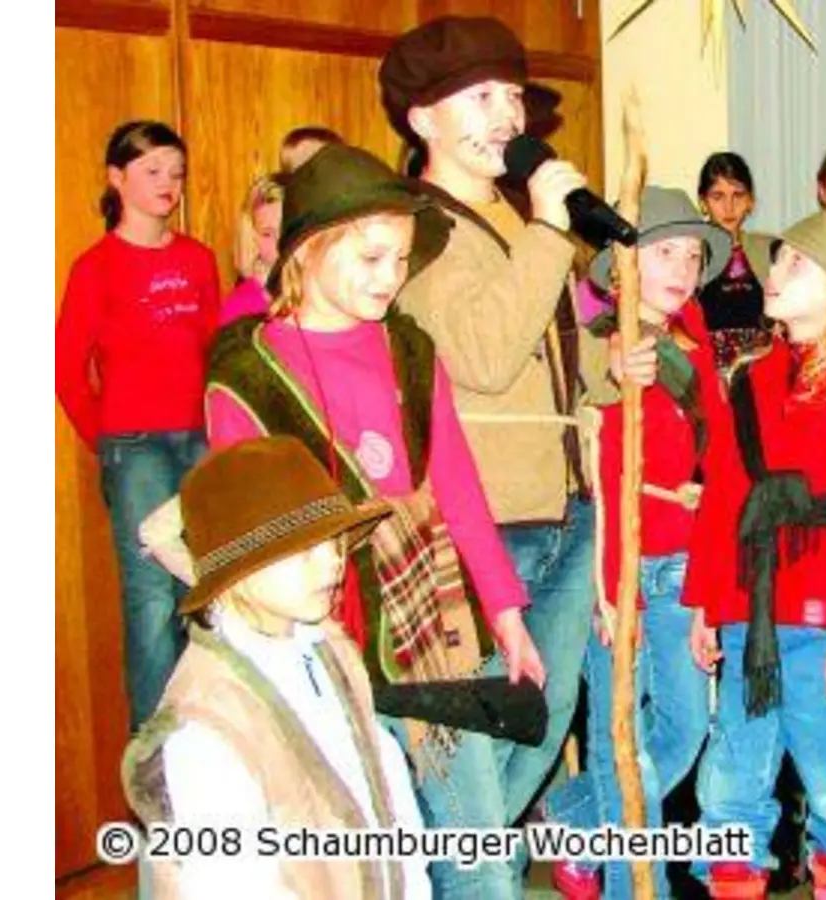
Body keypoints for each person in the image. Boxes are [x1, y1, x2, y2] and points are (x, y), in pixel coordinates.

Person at [141, 142, 548, 898]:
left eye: (399, 258)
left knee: (481, 857)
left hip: (429, 636)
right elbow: (252, 537)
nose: (390, 277)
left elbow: (455, 483)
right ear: (307, 251)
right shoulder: (249, 373)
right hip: (320, 647)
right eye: (368, 257)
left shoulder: (410, 349)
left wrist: (508, 611)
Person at [378, 21, 658, 888]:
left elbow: (542, 368)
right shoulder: (414, 227)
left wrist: (608, 376)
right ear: (423, 119)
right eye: (482, 97)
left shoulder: (512, 215)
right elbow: (485, 354)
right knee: (471, 780)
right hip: (484, 532)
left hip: (563, 515)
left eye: (512, 94)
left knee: (540, 726)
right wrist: (548, 226)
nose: (508, 115)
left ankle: (461, 870)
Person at [687, 211, 826, 899]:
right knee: (734, 765)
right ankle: (733, 873)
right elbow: (722, 499)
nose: (772, 274)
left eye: (795, 265)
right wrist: (704, 609)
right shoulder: (748, 378)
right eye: (777, 262)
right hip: (749, 613)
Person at [123, 436, 430, 899]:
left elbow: (390, 796)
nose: (333, 561)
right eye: (305, 549)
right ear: (238, 573)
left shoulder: (332, 652)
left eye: (333, 542)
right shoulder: (207, 724)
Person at [542, 187, 734, 900]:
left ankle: (568, 818)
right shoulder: (599, 347)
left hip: (684, 563)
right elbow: (600, 476)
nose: (683, 267)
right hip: (620, 567)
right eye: (663, 252)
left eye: (691, 253)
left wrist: (712, 587)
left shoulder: (695, 339)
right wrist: (607, 593)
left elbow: (711, 466)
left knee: (683, 733)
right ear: (621, 266)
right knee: (625, 751)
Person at [56, 120, 220, 732]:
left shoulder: (197, 259)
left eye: (176, 173)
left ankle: (212, 745)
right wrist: (111, 443)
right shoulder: (95, 267)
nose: (168, 185)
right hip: (138, 451)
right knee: (153, 603)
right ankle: (155, 768)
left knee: (212, 596)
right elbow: (66, 371)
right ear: (116, 178)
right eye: (153, 171)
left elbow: (214, 355)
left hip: (200, 444)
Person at [695, 152, 775, 376]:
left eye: (737, 195)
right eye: (718, 196)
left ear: (750, 201)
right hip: (706, 372)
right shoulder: (690, 253)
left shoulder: (770, 249)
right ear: (703, 202)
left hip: (762, 370)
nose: (729, 207)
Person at [219, 172, 284, 325]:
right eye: (267, 234)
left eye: (286, 229)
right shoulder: (239, 308)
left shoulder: (324, 295)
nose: (279, 244)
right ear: (251, 237)